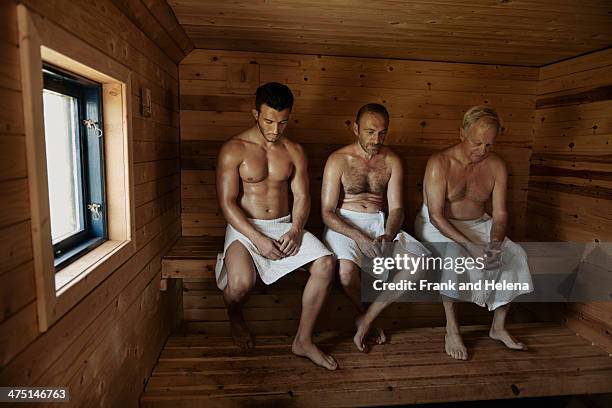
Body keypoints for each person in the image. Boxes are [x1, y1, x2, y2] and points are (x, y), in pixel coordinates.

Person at [215, 82, 337, 370]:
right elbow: (227, 203)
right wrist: (257, 238)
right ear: (255, 113)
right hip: (245, 228)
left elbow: (303, 196)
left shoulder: (294, 151)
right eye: (269, 121)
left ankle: (303, 341)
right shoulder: (234, 149)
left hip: (284, 225)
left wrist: (295, 230)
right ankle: (234, 315)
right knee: (241, 284)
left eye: (283, 122)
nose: (275, 129)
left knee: (326, 264)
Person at [414, 105, 533, 361]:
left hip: (480, 222)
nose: (482, 151)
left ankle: (498, 327)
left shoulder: (497, 166)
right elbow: (435, 215)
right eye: (476, 143)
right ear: (461, 133)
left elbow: (500, 214)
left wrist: (496, 244)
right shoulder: (440, 163)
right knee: (454, 256)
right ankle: (452, 329)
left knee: (515, 255)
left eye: (489, 145)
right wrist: (471, 246)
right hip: (439, 223)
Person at [321, 103, 429, 352]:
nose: (376, 139)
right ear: (356, 128)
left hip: (380, 224)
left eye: (382, 132)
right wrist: (359, 238)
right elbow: (327, 213)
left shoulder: (392, 161)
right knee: (346, 273)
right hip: (344, 224)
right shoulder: (338, 160)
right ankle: (368, 317)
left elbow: (397, 209)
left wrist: (388, 235)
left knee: (419, 264)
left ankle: (367, 319)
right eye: (370, 132)